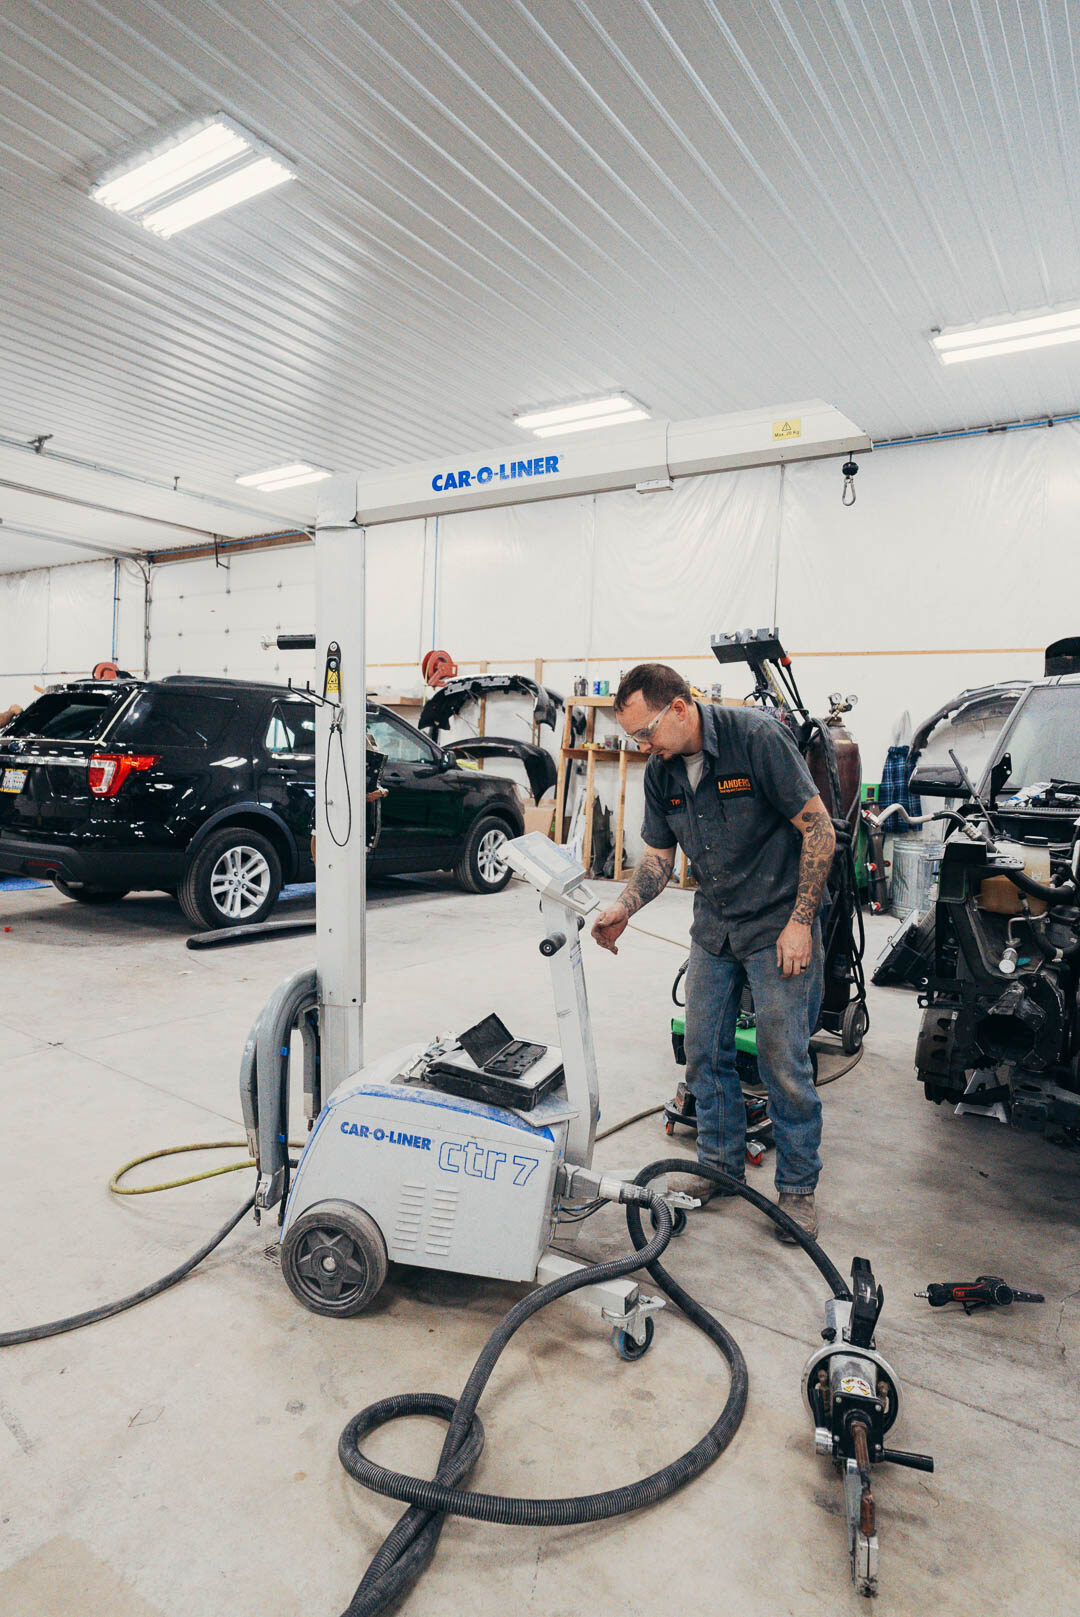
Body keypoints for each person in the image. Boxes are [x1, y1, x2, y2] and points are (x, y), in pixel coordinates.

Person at [591, 664, 835, 1239]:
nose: (643, 746)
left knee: (783, 1059)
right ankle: (721, 1169)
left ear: (679, 707)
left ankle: (797, 1189)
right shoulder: (661, 770)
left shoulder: (757, 739)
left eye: (646, 731)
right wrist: (624, 907)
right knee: (703, 1050)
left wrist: (801, 923)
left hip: (778, 922)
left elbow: (819, 830)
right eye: (633, 739)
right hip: (715, 926)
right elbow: (657, 859)